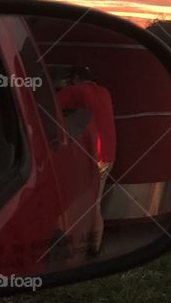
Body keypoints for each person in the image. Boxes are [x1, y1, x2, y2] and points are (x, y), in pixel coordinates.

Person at [56, 67, 116, 256]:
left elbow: (48, 107)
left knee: (87, 205)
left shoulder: (75, 91)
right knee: (94, 202)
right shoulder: (104, 92)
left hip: (91, 155)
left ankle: (90, 249)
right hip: (109, 154)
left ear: (76, 78)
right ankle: (93, 247)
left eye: (69, 80)